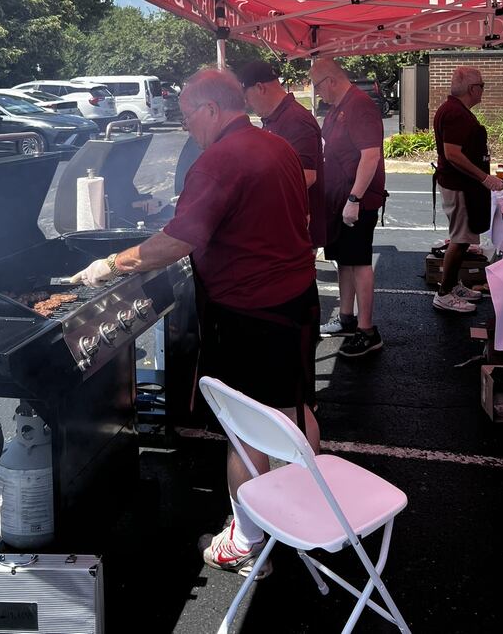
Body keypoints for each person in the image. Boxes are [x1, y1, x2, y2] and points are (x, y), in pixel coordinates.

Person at [74, 67, 319, 579]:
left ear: (211, 109)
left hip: (249, 313)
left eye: (187, 117)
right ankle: (307, 509)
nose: (186, 127)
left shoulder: (219, 160)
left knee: (245, 427)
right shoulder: (274, 146)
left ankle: (248, 541)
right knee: (296, 405)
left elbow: (178, 242)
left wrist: (111, 263)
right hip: (295, 299)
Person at [310, 57, 386, 359]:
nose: (317, 93)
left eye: (317, 87)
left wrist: (354, 199)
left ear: (330, 80)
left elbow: (371, 156)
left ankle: (368, 331)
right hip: (340, 199)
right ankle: (346, 318)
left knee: (359, 262)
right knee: (343, 259)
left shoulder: (359, 105)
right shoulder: (339, 107)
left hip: (357, 200)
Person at [432, 66, 503, 313]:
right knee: (460, 240)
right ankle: (444, 293)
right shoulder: (455, 114)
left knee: (462, 239)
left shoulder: (453, 110)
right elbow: (453, 154)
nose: (483, 90)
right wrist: (484, 178)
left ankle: (453, 286)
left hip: (460, 184)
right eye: (482, 86)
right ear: (473, 89)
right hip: (458, 185)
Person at [236, 59, 325, 247]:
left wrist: (254, 193)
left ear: (260, 88)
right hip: (282, 221)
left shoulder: (295, 120)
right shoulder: (274, 118)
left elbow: (307, 175)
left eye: (247, 97)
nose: (248, 104)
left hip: (297, 224)